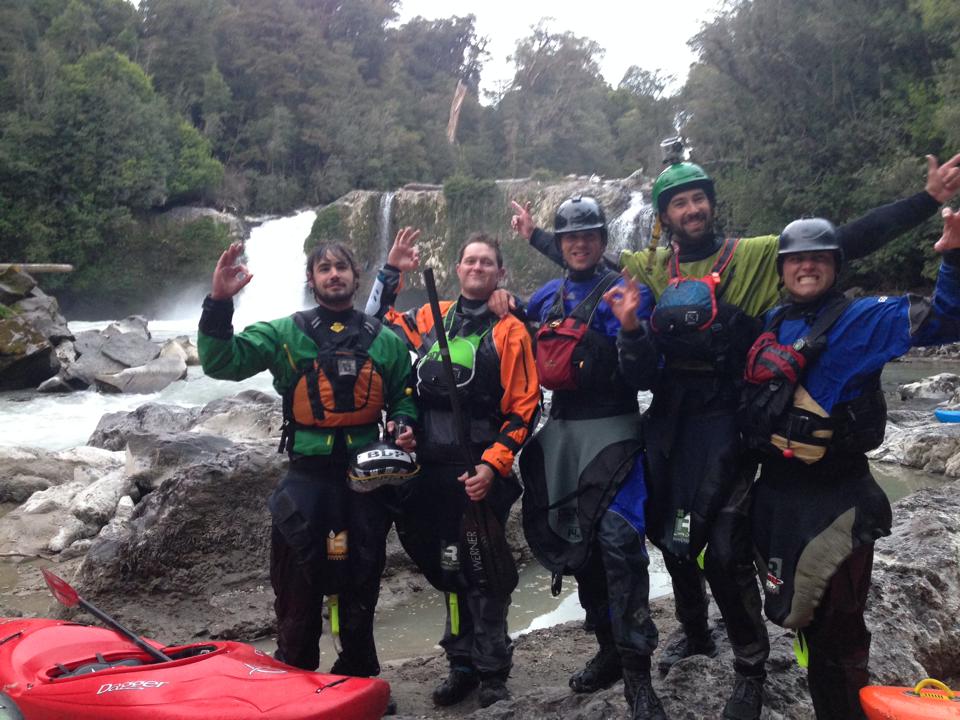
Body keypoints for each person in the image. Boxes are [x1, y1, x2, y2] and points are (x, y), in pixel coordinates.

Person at [511, 150, 960, 720]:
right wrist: (534, 237)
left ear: (711, 205)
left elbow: (839, 241)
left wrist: (927, 200)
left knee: (722, 546)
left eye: (699, 199)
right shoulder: (650, 265)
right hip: (670, 415)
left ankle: (750, 665)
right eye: (680, 202)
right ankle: (695, 631)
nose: (692, 209)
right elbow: (583, 257)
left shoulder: (753, 256)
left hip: (729, 417)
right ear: (665, 214)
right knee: (669, 533)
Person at [740, 209, 960, 720]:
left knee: (839, 639)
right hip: (777, 496)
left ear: (836, 266)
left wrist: (952, 256)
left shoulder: (866, 319)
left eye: (819, 258)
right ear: (782, 270)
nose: (808, 267)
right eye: (797, 260)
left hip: (836, 497)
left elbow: (947, 316)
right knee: (802, 621)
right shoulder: (771, 324)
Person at [197, 241, 418, 715]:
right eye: (324, 268)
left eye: (341, 267)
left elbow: (403, 395)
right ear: (312, 279)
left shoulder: (386, 339)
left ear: (356, 278)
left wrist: (403, 423)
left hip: (365, 480)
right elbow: (221, 361)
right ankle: (294, 684)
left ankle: (358, 681)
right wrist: (219, 302)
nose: (333, 274)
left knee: (361, 585)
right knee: (297, 592)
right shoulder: (284, 334)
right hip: (307, 479)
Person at [365, 228, 540, 709]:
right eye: (470, 260)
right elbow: (371, 324)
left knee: (483, 572)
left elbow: (525, 409)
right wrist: (392, 271)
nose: (478, 268)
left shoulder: (509, 330)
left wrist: (493, 466)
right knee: (448, 568)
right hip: (429, 472)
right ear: (457, 268)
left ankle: (492, 671)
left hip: (479, 470)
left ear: (499, 272)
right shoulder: (429, 318)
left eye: (487, 262)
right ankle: (460, 663)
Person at [507, 196, 664, 720]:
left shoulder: (625, 292)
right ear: (562, 242)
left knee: (621, 544)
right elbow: (516, 342)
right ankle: (607, 649)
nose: (579, 243)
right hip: (565, 431)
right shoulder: (546, 297)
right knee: (581, 547)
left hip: (616, 428)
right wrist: (504, 307)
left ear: (602, 240)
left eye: (590, 235)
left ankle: (639, 677)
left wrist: (634, 329)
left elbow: (643, 377)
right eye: (570, 237)